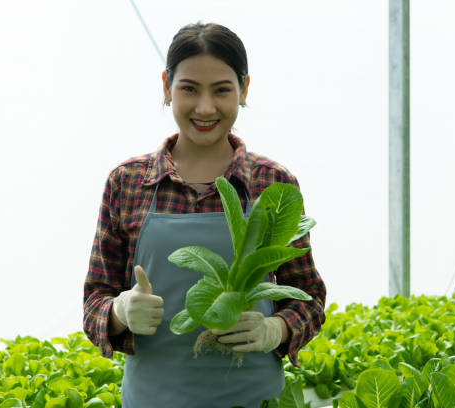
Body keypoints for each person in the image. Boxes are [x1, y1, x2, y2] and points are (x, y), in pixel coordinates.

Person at [83, 22, 326, 407]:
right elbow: (94, 298)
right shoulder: (127, 182)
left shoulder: (271, 183)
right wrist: (120, 311)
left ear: (244, 90)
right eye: (189, 89)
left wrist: (275, 329)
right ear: (166, 86)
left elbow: (309, 296)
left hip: (254, 397)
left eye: (222, 90)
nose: (205, 108)